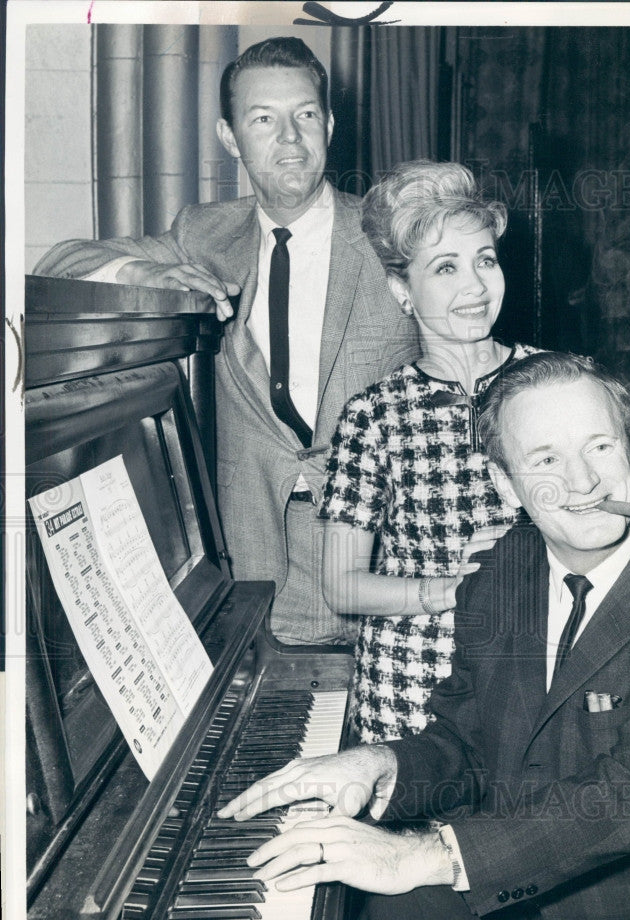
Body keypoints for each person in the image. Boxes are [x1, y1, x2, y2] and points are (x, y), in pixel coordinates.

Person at [218, 351, 630, 920]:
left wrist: (426, 854)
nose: (582, 483)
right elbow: (466, 740)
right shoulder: (497, 575)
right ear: (505, 484)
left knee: (408, 876)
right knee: (393, 910)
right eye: (545, 460)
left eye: (600, 447)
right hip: (512, 893)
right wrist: (381, 764)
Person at [318, 159, 630, 743]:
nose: (474, 287)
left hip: (537, 685)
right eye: (445, 268)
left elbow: (613, 510)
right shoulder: (373, 415)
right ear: (402, 288)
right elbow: (341, 584)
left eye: (485, 260)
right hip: (410, 693)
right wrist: (446, 588)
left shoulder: (558, 382)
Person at [33, 36, 419, 645]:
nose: (290, 138)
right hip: (252, 562)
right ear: (229, 138)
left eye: (306, 115)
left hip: (385, 560)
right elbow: (60, 263)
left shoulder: (391, 231)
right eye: (264, 119)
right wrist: (142, 271)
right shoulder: (204, 233)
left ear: (330, 124)